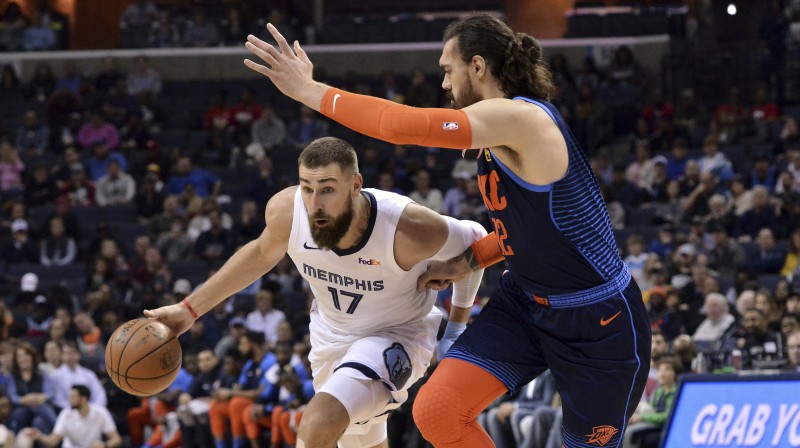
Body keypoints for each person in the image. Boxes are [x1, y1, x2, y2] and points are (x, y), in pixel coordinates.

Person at [244, 14, 650, 447]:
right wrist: (468, 259)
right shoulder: (498, 133)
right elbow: (530, 231)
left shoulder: (521, 120)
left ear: (477, 68)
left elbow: (399, 126)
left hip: (596, 319)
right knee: (437, 411)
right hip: (526, 303)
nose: (443, 84)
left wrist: (309, 90)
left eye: (447, 70)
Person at [144, 137, 487, 448]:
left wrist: (456, 327)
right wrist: (188, 310)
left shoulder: (407, 229)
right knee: (363, 442)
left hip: (397, 336)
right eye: (306, 188)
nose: (314, 203)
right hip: (329, 338)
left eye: (326, 189)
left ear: (355, 185)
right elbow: (261, 253)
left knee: (318, 423)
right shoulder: (287, 212)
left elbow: (476, 239)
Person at [22, 385, 122, 448]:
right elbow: (53, 441)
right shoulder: (66, 414)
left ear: (83, 399)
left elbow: (116, 439)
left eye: (73, 397)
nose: (70, 400)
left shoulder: (101, 412)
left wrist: (105, 445)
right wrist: (40, 437)